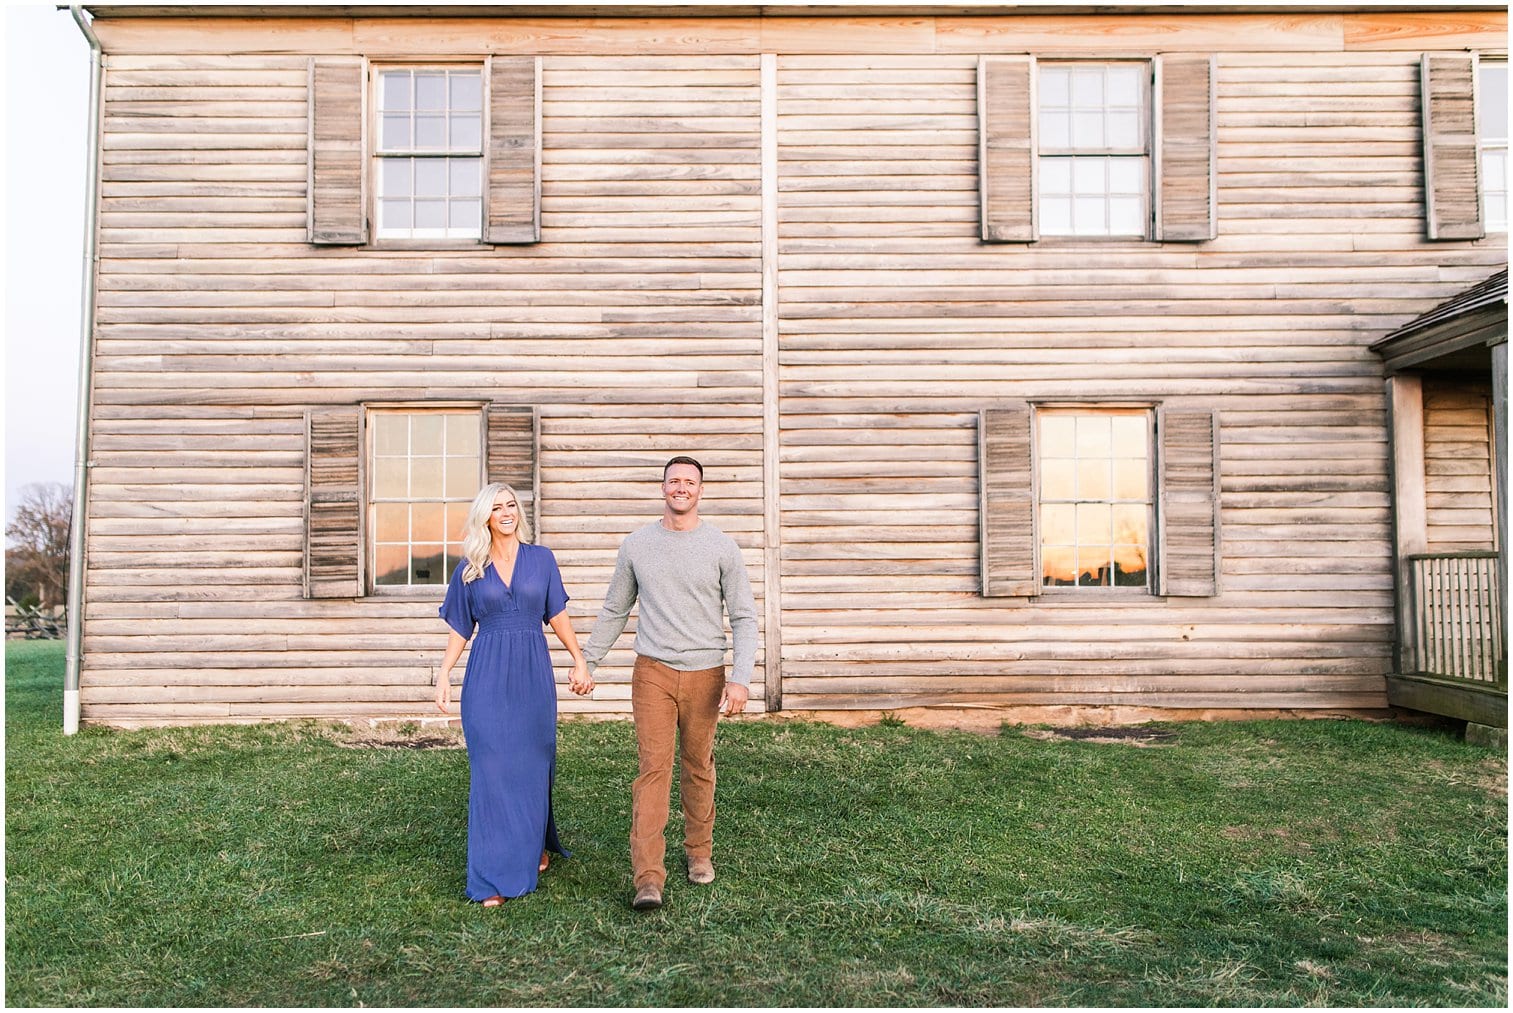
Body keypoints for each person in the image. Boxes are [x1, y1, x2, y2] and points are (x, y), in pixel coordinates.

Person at [581, 455, 758, 911]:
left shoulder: (722, 547)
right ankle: (648, 878)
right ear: (662, 488)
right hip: (653, 672)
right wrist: (588, 660)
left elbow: (743, 616)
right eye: (674, 480)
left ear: (701, 490)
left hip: (706, 673)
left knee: (698, 765)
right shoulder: (637, 545)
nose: (682, 487)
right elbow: (615, 609)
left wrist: (739, 678)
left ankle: (699, 853)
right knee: (652, 770)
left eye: (690, 481)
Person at [435, 482, 593, 906]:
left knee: (531, 764)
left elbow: (556, 613)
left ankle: (534, 843)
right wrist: (445, 673)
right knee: (491, 769)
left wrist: (579, 659)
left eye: (511, 505)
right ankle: (492, 878)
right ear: (485, 516)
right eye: (496, 507)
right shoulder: (470, 567)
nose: (506, 512)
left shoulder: (540, 559)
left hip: (531, 675)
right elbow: (459, 627)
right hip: (486, 676)